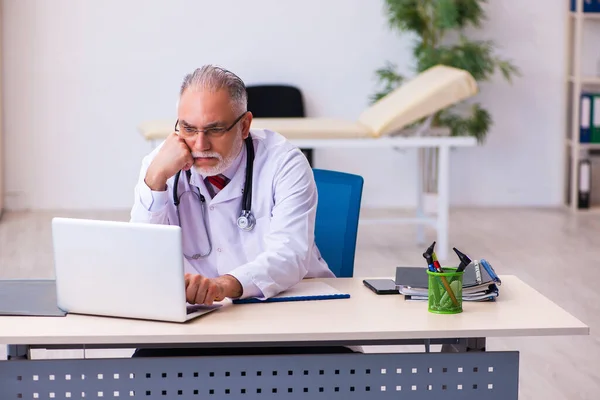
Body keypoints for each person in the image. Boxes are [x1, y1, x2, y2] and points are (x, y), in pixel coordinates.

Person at [130, 65, 335, 307]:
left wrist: (222, 285)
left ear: (245, 125)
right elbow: (141, 260)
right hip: (202, 318)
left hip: (289, 308)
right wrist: (154, 180)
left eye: (215, 129)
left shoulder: (283, 162)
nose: (200, 144)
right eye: (188, 128)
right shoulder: (159, 167)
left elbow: (289, 256)